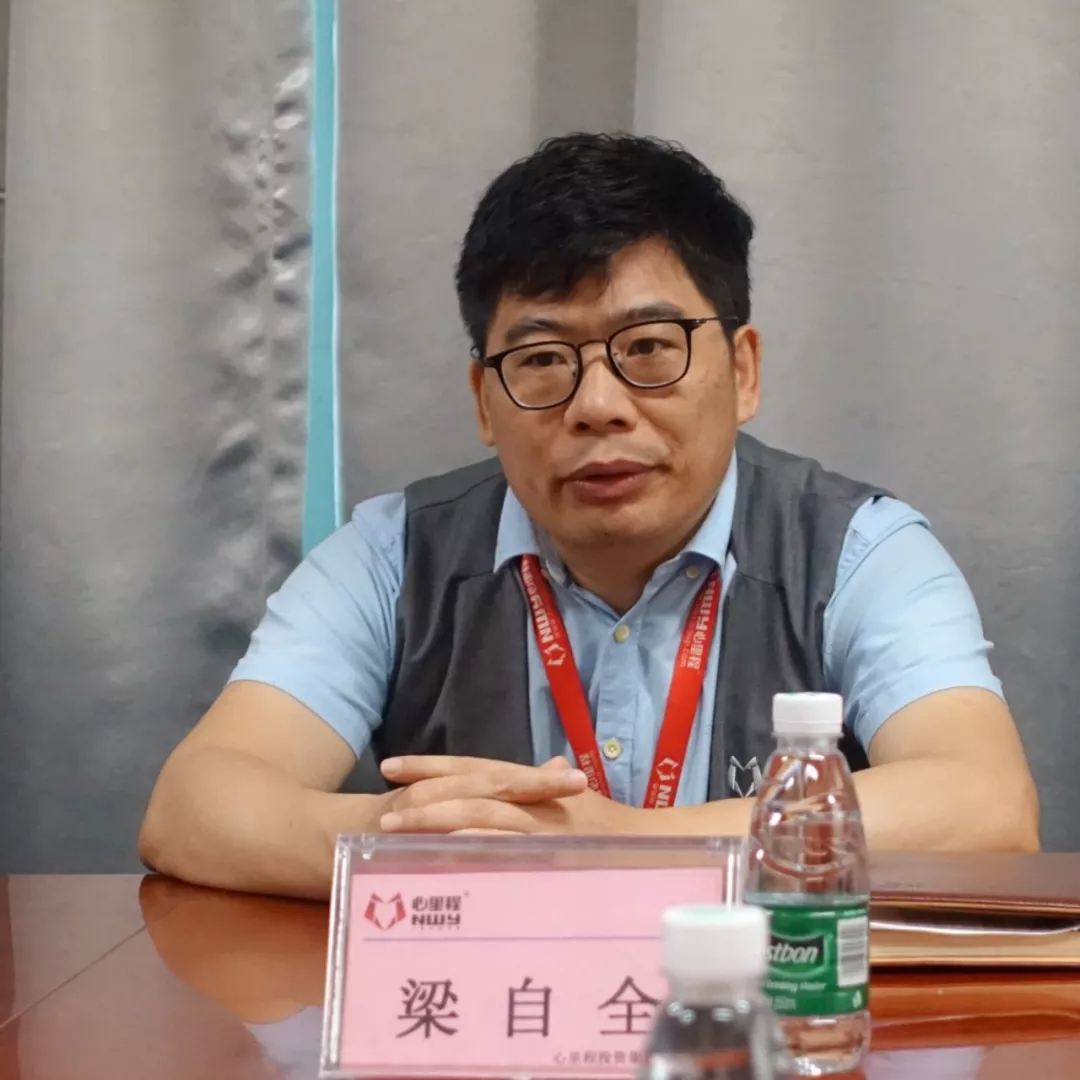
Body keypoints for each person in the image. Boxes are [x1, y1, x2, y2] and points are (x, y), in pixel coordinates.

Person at [140, 134, 1039, 900]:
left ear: (743, 371)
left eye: (648, 347)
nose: (598, 406)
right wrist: (417, 836)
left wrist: (618, 843)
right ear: (484, 401)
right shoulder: (389, 557)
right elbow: (194, 806)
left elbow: (986, 808)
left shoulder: (857, 551)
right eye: (541, 359)